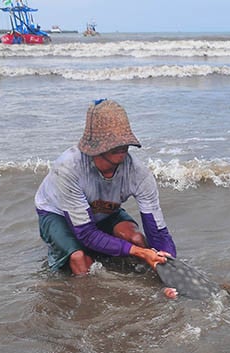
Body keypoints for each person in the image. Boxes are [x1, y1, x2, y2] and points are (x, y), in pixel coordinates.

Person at [35, 99, 178, 297]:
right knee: (78, 257)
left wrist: (166, 261)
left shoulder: (139, 174)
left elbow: (158, 232)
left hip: (104, 210)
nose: (121, 150)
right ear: (94, 149)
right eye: (113, 147)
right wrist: (138, 253)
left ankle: (154, 287)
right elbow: (86, 233)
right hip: (57, 213)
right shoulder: (68, 168)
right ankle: (94, 302)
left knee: (137, 239)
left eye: (124, 145)